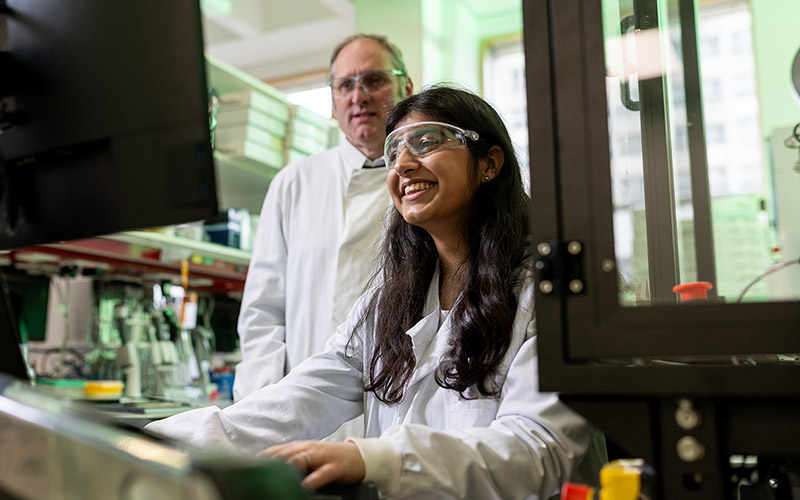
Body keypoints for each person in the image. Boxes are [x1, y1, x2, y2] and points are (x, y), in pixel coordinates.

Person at [147, 86, 604, 499]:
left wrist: (375, 459)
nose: (403, 163)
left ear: (489, 163)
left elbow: (536, 450)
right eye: (394, 150)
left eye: (427, 141)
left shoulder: (547, 293)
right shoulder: (388, 304)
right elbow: (293, 402)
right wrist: (152, 442)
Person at [233, 34, 414, 402]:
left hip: (395, 405)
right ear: (333, 103)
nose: (358, 96)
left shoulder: (425, 180)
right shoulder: (293, 183)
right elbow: (263, 312)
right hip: (301, 407)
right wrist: (261, 405)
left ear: (406, 88)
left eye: (375, 80)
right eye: (345, 85)